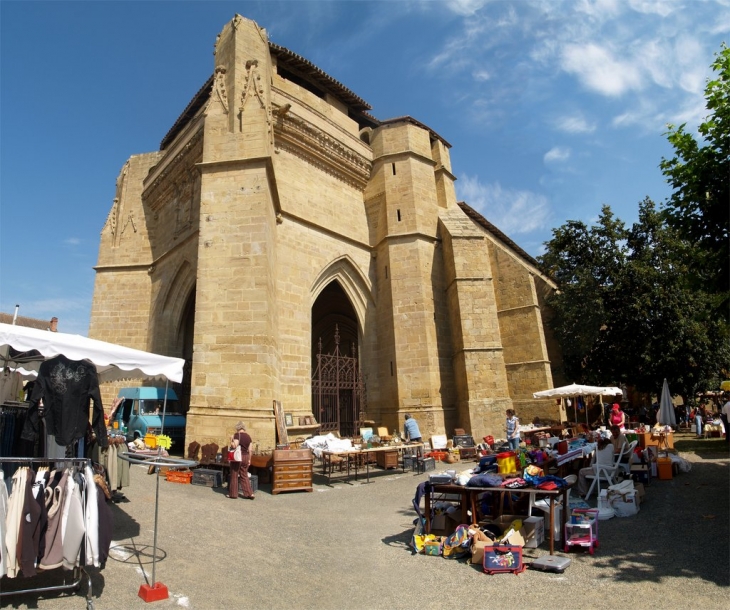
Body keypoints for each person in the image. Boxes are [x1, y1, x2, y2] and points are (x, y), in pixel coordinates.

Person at [228, 421, 255, 500]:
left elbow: (234, 445)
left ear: (238, 428)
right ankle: (250, 494)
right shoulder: (248, 437)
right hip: (246, 456)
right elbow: (250, 450)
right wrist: (249, 460)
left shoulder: (237, 435)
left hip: (238, 457)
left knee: (234, 474)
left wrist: (231, 439)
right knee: (244, 475)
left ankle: (233, 494)